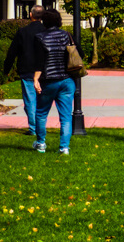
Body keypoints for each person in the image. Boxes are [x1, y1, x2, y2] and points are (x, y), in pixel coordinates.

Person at [32, 9, 75, 155]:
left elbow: (39, 61)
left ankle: (41, 143)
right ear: (59, 21)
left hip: (48, 81)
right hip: (67, 80)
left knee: (41, 113)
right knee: (66, 116)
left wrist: (36, 78)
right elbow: (78, 53)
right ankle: (64, 148)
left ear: (44, 21)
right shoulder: (67, 36)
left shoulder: (39, 37)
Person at [3, 5, 46, 135]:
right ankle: (40, 126)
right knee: (42, 101)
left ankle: (34, 128)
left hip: (27, 70)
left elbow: (12, 52)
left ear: (31, 15)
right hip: (44, 71)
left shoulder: (23, 32)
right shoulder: (46, 31)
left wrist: (7, 68)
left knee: (30, 100)